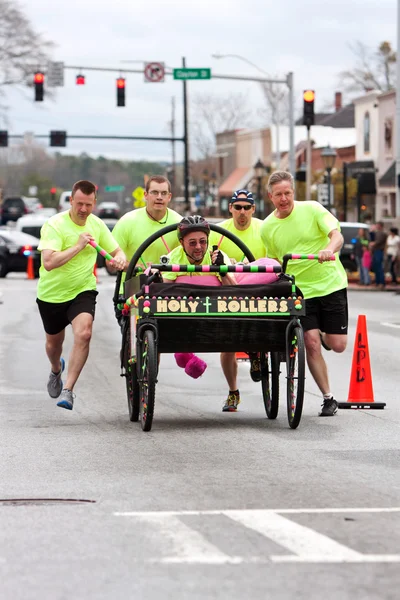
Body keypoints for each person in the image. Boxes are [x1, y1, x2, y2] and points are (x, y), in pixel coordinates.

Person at [260, 170, 348, 417]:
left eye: (288, 193)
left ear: (293, 193)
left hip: (330, 284)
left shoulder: (312, 208)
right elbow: (274, 260)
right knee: (310, 343)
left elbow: (337, 236)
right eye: (279, 195)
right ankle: (328, 398)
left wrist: (329, 250)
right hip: (299, 291)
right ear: (271, 196)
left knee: (337, 345)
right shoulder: (268, 227)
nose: (284, 198)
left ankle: (324, 334)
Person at [36, 180, 127, 410]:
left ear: (94, 202)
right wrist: (78, 246)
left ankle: (68, 390)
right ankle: (56, 368)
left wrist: (120, 259)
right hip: (52, 294)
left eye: (88, 204)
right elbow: (48, 262)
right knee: (52, 345)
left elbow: (116, 251)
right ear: (71, 201)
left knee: (84, 333)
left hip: (82, 290)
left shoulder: (97, 225)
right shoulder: (54, 225)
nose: (84, 210)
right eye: (79, 204)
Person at [162, 216, 243, 412]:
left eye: (203, 241)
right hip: (185, 317)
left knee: (230, 344)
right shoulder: (173, 258)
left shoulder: (217, 255)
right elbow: (163, 293)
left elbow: (238, 293)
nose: (198, 247)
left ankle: (233, 391)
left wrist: (223, 270)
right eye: (192, 243)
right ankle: (185, 356)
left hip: (217, 316)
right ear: (181, 243)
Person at [210, 189, 270, 393]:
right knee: (228, 345)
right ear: (230, 209)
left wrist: (252, 265)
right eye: (237, 207)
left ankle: (257, 352)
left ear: (253, 208)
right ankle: (233, 391)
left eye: (246, 207)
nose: (242, 212)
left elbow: (274, 260)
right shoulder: (218, 232)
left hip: (257, 290)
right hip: (227, 291)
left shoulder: (264, 228)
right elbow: (209, 261)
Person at [111, 176, 181, 290]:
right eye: (154, 192)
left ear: (169, 197)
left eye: (163, 193)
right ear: (145, 195)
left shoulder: (179, 223)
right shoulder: (127, 221)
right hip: (133, 285)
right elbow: (110, 262)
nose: (159, 197)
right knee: (140, 306)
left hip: (168, 285)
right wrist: (139, 268)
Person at [370, 221, 388, 289]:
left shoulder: (383, 233)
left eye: (377, 225)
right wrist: (371, 231)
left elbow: (379, 241)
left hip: (379, 251)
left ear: (380, 226)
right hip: (375, 251)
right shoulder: (376, 232)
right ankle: (377, 282)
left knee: (379, 267)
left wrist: (373, 243)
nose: (376, 226)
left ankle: (382, 282)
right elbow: (372, 237)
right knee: (376, 267)